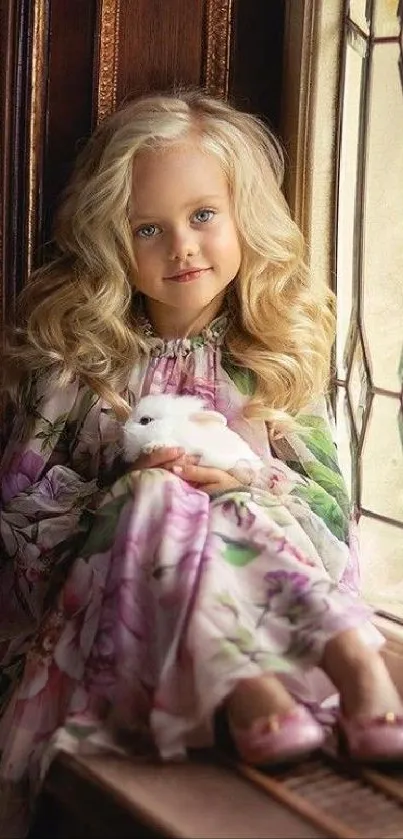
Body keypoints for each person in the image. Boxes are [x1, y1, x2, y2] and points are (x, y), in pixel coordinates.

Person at [0, 90, 402, 835]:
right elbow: (21, 540)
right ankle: (322, 667)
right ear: (108, 238)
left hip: (271, 624)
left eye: (202, 216)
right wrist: (129, 495)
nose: (180, 247)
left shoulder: (270, 363)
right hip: (112, 629)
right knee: (155, 488)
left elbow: (327, 523)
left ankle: (325, 664)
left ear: (243, 214)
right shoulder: (76, 366)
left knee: (228, 493)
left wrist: (244, 481)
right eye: (147, 227)